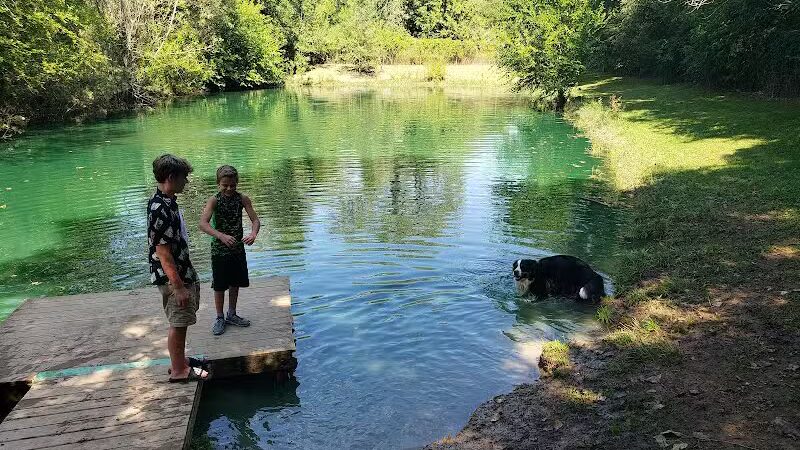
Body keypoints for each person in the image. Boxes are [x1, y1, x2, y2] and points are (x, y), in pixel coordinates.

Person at [148, 154, 209, 382]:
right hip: (173, 277)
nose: (187, 182)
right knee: (178, 321)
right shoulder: (159, 209)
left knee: (181, 320)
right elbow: (163, 253)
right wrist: (179, 287)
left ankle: (180, 361)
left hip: (182, 271)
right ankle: (179, 371)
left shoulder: (166, 201)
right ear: (171, 177)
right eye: (184, 177)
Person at [199, 165, 260, 335]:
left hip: (237, 249)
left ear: (237, 183)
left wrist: (253, 234)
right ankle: (219, 317)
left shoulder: (242, 199)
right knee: (219, 285)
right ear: (218, 183)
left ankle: (231, 314)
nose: (229, 188)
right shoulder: (214, 200)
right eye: (225, 185)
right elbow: (203, 224)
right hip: (219, 249)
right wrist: (221, 236)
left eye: (232, 185)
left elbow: (255, 220)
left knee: (235, 282)